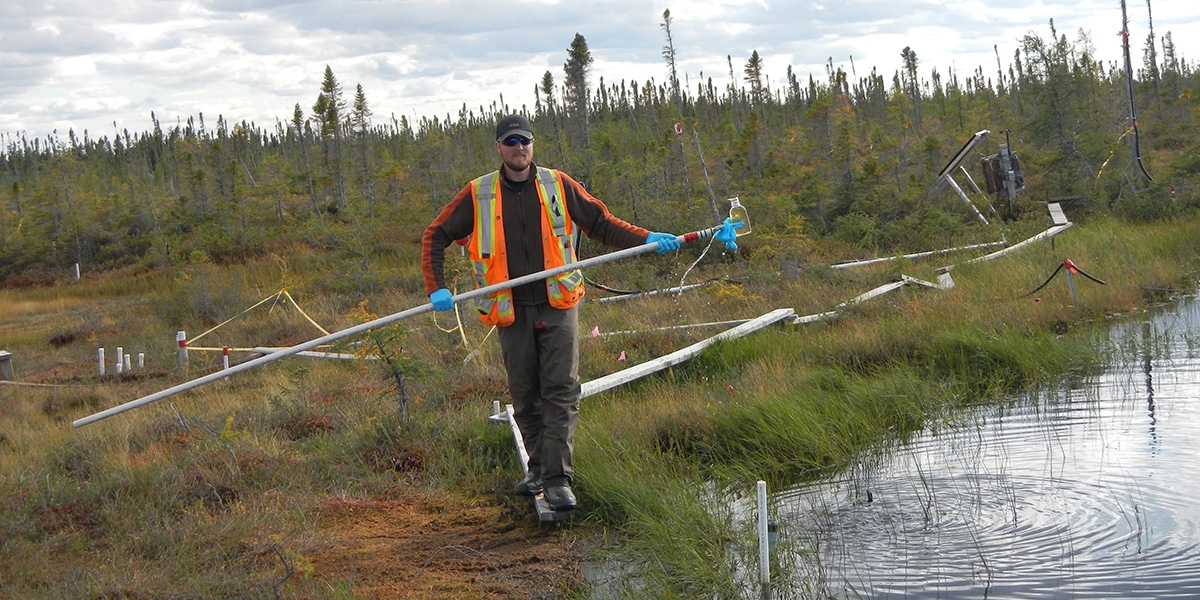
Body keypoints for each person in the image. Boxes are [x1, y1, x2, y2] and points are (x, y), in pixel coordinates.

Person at [421, 114, 680, 511]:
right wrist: (437, 287)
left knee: (560, 389)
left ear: (533, 144)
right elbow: (435, 234)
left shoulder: (558, 184)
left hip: (558, 303)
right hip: (509, 309)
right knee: (525, 395)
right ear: (499, 148)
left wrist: (646, 238)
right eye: (510, 142)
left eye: (523, 141)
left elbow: (600, 223)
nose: (518, 148)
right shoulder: (480, 193)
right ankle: (538, 467)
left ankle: (558, 478)